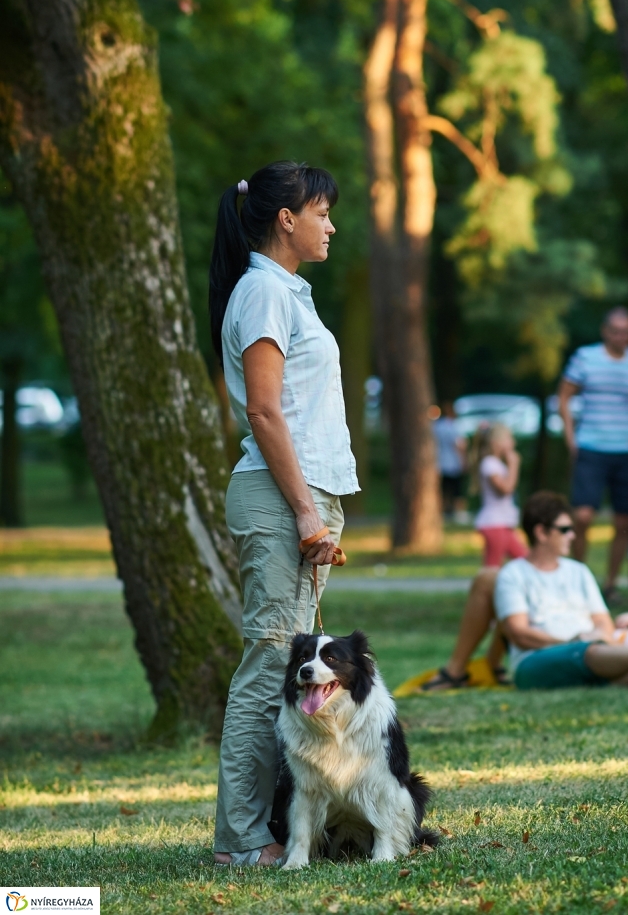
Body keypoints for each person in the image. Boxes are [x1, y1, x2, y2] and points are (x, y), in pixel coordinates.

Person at [209, 162, 359, 868]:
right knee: (271, 667)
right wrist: (305, 511)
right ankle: (240, 842)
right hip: (280, 499)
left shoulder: (285, 292)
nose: (331, 225)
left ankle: (281, 827)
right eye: (322, 212)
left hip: (304, 495)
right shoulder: (262, 292)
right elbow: (264, 410)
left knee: (290, 667)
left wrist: (319, 504)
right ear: (285, 219)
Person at [418, 492, 628, 692]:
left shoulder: (579, 572)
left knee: (609, 657)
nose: (571, 536)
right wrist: (574, 642)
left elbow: (604, 624)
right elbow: (520, 634)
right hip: (535, 662)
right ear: (541, 532)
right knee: (590, 652)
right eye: (564, 530)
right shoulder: (513, 575)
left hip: (591, 646)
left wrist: (596, 635)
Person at [558, 307, 628, 601]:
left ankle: (610, 584)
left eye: (626, 331)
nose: (621, 337)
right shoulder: (585, 358)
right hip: (591, 446)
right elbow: (563, 396)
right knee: (583, 515)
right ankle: (577, 579)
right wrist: (570, 437)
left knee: (624, 520)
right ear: (605, 331)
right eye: (616, 331)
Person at [472, 423, 527, 567]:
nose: (513, 442)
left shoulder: (497, 464)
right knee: (492, 566)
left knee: (524, 560)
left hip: (503, 523)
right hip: (494, 523)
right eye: (509, 438)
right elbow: (506, 489)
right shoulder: (489, 464)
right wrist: (514, 465)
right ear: (496, 442)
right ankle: (484, 589)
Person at [431, 400, 468, 523]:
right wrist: (464, 460)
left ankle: (442, 512)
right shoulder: (453, 427)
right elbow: (459, 445)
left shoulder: (437, 426)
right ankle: (459, 513)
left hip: (440, 463)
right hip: (453, 463)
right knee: (457, 489)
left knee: (443, 490)